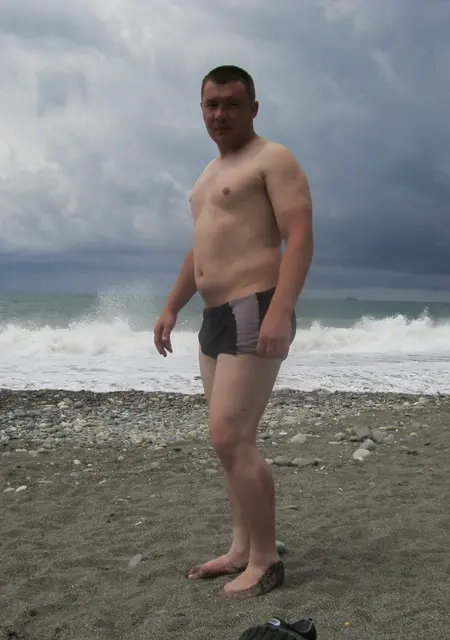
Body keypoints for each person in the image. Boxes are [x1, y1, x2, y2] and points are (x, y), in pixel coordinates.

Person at [153, 65, 313, 597]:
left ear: (253, 109)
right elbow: (201, 248)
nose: (220, 114)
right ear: (201, 109)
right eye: (211, 104)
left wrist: (279, 311)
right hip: (214, 316)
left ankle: (266, 559)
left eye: (231, 104)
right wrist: (172, 306)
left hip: (254, 306)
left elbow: (299, 235)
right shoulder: (207, 174)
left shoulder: (273, 158)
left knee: (228, 436)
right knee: (231, 444)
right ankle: (241, 548)